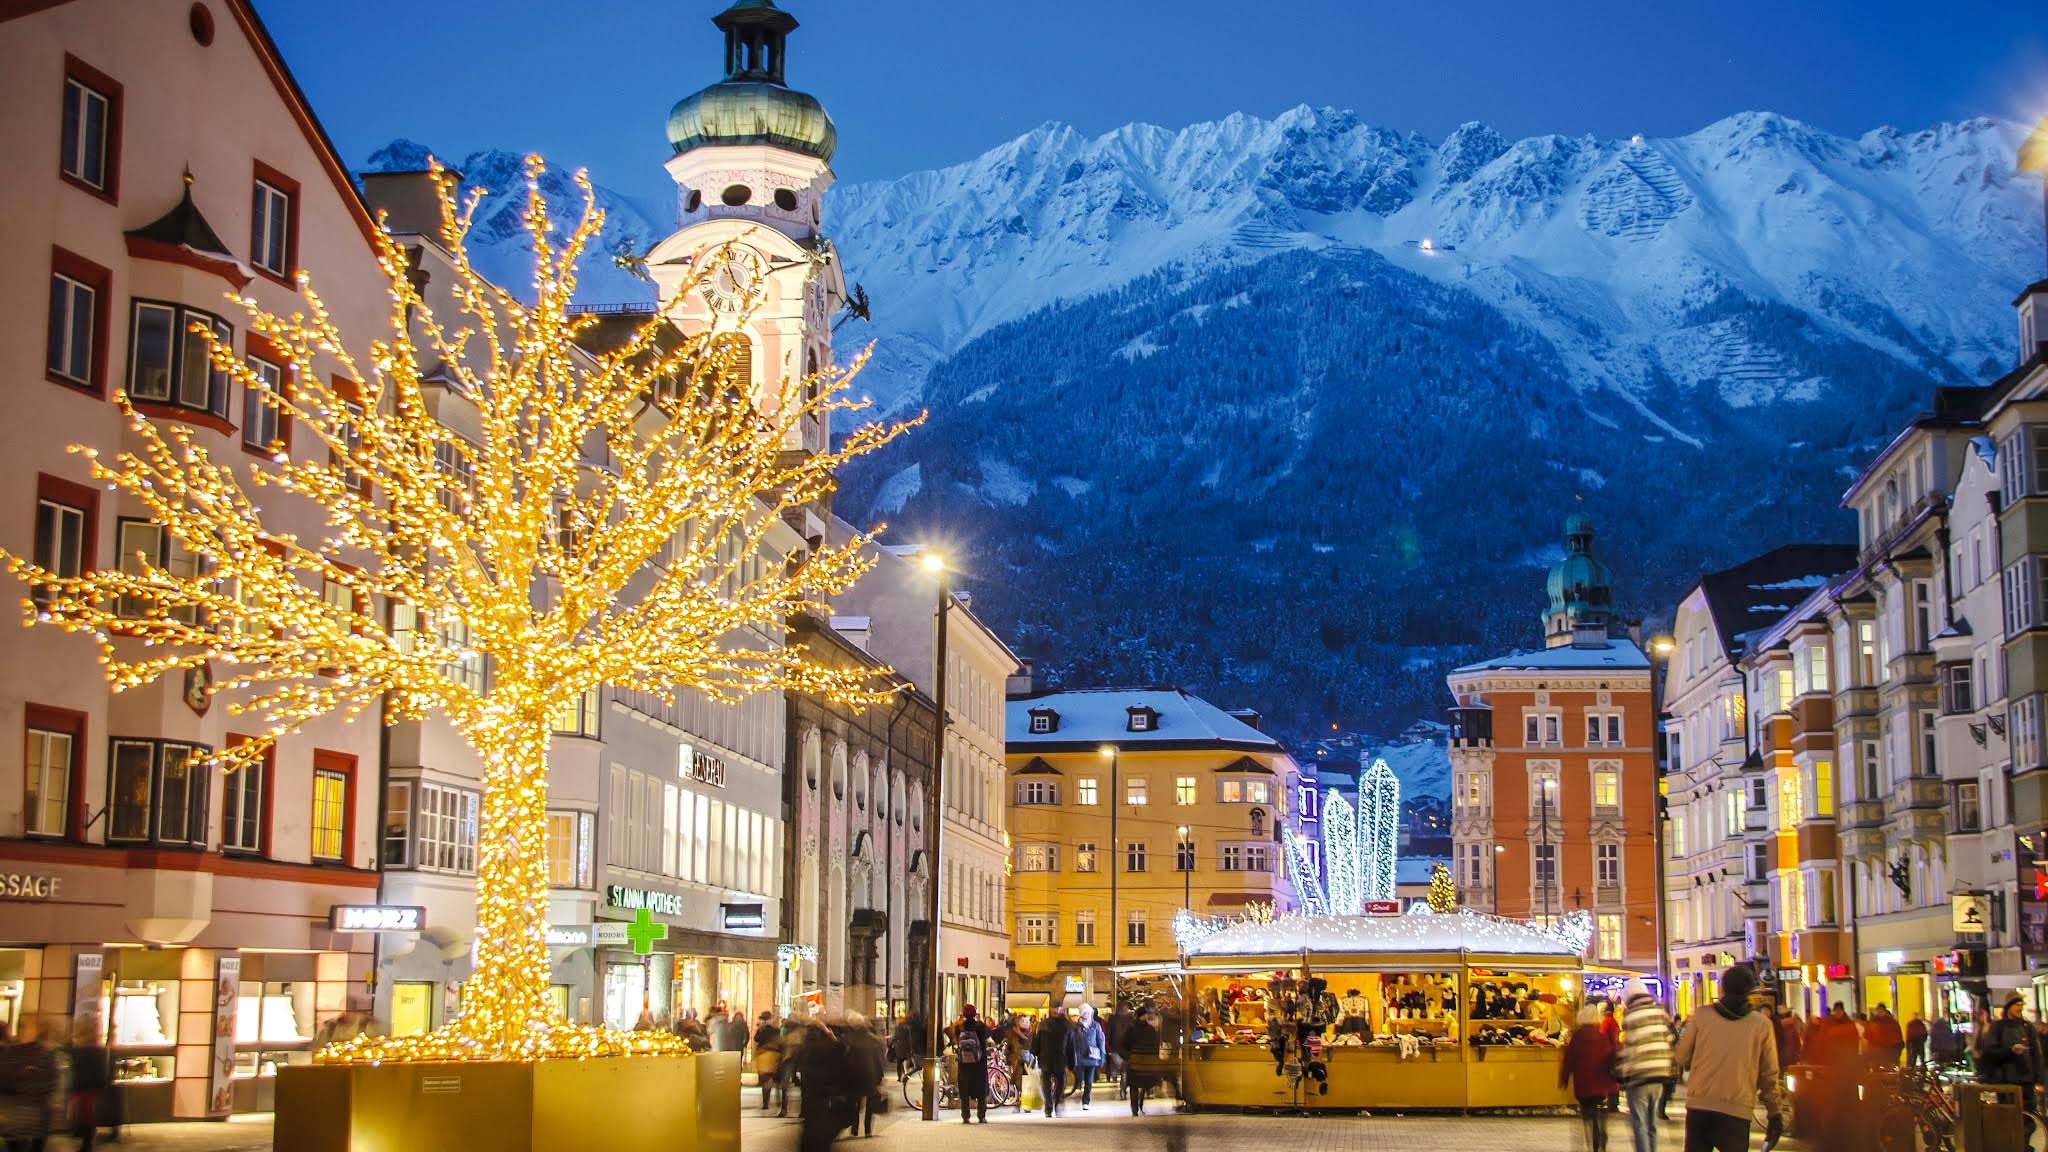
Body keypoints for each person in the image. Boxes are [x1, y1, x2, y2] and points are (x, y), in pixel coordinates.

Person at [1675, 966, 1786, 1152]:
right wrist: (1774, 1113)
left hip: (1700, 1106)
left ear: (1723, 988)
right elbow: (1769, 1074)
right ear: (1750, 991)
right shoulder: (1762, 1025)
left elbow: (1681, 1056)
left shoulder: (1702, 1016)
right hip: (1737, 1109)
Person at [1619, 980, 1677, 1152]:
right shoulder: (1661, 1013)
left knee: (1640, 1124)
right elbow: (1670, 1040)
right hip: (1660, 1074)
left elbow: (1630, 1049)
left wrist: (1622, 1071)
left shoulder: (1631, 1016)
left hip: (1640, 1075)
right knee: (1652, 1124)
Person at [1563, 1003, 1621, 1152]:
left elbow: (1569, 1059)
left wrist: (1563, 1078)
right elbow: (1610, 1056)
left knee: (1587, 1113)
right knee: (1600, 1112)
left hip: (1583, 1084)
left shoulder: (1577, 1036)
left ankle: (1592, 1140)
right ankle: (1600, 1137)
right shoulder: (1602, 1035)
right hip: (1601, 1083)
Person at [1976, 994, 2041, 1124]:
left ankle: (2024, 1144)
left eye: (2022, 1005)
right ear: (2009, 1007)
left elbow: (2036, 1055)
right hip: (2006, 1081)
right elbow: (1989, 1053)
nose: (2020, 1008)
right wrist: (2010, 1051)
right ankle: (2014, 1144)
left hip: (2026, 1081)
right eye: (2017, 1005)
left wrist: (2039, 1079)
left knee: (2029, 1118)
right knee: (2010, 1118)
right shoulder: (1998, 1027)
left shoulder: (2027, 1027)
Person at [794, 1018, 850, 1152]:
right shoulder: (826, 1048)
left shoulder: (805, 1048)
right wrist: (830, 1035)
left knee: (809, 1135)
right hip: (824, 1100)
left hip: (809, 1099)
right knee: (820, 1138)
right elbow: (841, 1049)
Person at [65, 1017, 111, 1152]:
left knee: (84, 1115)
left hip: (82, 1086)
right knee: (88, 1115)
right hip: (92, 1087)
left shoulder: (78, 1050)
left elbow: (75, 1068)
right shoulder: (99, 1050)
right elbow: (102, 1072)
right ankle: (86, 1142)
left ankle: (86, 1143)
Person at [842, 1012, 886, 1138]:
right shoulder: (873, 1039)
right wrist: (880, 1075)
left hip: (855, 1076)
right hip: (870, 1075)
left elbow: (847, 1059)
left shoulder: (850, 1039)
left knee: (855, 1103)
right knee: (870, 1104)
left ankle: (854, 1130)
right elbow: (878, 1059)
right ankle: (868, 1130)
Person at [953, 1004, 993, 1124]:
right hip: (979, 1063)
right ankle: (981, 1116)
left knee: (964, 1089)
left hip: (964, 1064)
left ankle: (965, 1115)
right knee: (981, 1090)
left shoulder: (959, 1027)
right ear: (975, 1013)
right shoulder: (980, 1026)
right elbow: (988, 1038)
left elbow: (955, 1041)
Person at [1034, 1005, 1074, 1116]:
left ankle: (1052, 1105)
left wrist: (1071, 1062)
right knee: (1056, 1083)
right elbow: (1070, 1045)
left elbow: (1070, 1045)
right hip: (1054, 1059)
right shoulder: (1065, 1025)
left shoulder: (1045, 1025)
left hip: (1051, 1058)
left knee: (1051, 1084)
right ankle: (1053, 1105)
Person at [1121, 1009, 1163, 1116]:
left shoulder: (1131, 1029)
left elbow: (1124, 1044)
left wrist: (1128, 1056)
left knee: (1133, 1085)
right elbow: (1156, 1045)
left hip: (1135, 1062)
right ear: (1144, 1016)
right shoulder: (1151, 1029)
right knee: (1144, 1082)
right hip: (1148, 1064)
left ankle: (1134, 1109)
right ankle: (1140, 1104)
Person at [1071, 1004, 1107, 1109]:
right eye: (1084, 1013)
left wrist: (1102, 1056)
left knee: (1089, 1081)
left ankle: (1086, 1101)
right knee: (1079, 1078)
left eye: (1088, 1012)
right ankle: (1078, 1092)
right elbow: (1072, 1042)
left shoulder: (1096, 1025)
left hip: (1092, 1057)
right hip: (1079, 1057)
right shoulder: (1076, 1027)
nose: (1086, 1015)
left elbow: (1101, 1040)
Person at [753, 1012, 785, 1112]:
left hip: (763, 1055)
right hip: (773, 1055)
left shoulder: (761, 1030)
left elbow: (756, 1039)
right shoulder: (776, 1030)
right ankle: (777, 1101)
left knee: (765, 1079)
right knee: (770, 1078)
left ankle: (765, 1102)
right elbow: (780, 1042)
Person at [1865, 1004, 1905, 1069]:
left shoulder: (1891, 1022)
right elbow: (1868, 1035)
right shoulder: (1873, 1022)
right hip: (1877, 1050)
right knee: (1878, 1069)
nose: (1879, 1012)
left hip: (1888, 1050)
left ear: (1884, 1011)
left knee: (1887, 1068)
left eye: (1881, 1011)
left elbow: (1897, 1037)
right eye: (1878, 1011)